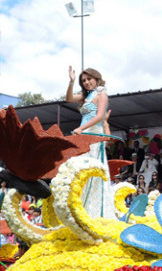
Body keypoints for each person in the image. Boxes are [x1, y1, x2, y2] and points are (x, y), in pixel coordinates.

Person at [65, 66, 115, 219]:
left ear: (96, 78)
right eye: (84, 81)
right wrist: (72, 82)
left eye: (89, 79)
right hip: (83, 136)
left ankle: (95, 213)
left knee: (93, 171)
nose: (86, 82)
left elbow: (100, 116)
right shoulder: (87, 96)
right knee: (81, 172)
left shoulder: (102, 93)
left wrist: (81, 127)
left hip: (93, 136)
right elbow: (68, 98)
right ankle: (82, 210)